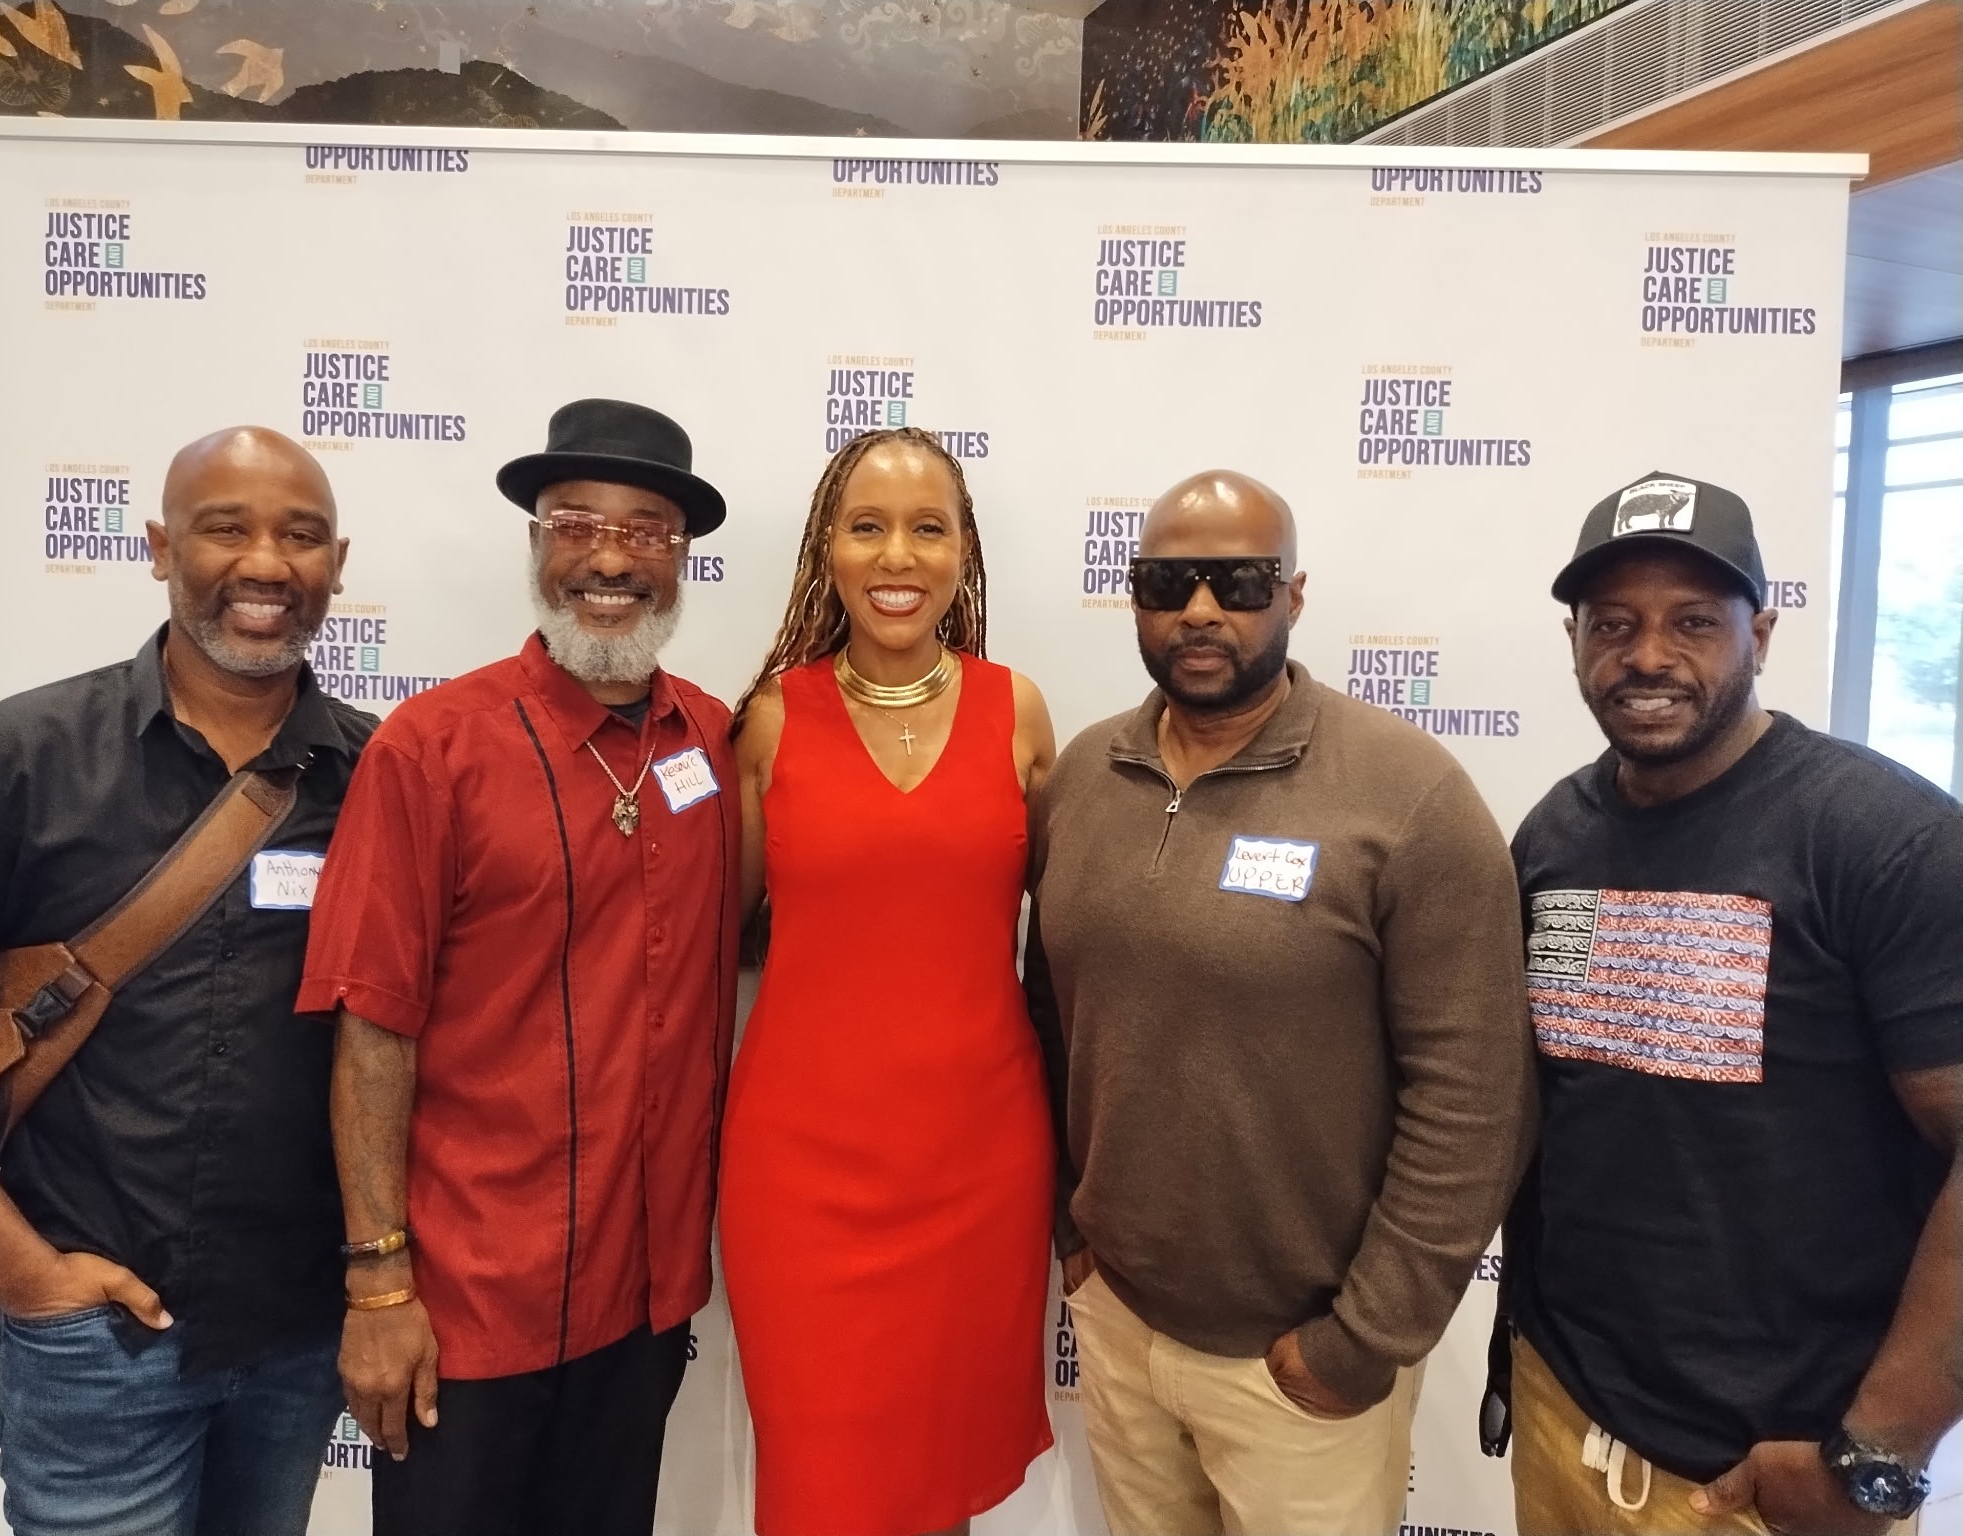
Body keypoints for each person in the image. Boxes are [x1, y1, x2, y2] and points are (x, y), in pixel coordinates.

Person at [1025, 470, 1536, 1536]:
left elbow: (1476, 1097)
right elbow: (1048, 1016)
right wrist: (1073, 1233)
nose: (1200, 609)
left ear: (1292, 595)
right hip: (1118, 1327)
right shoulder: (1082, 777)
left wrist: (1362, 1340)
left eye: (1239, 581)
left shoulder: (1407, 796)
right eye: (1169, 581)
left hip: (1300, 1368)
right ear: (1134, 598)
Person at [0, 427, 371, 1536]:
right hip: (94, 1343)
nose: (265, 561)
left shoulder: (380, 780)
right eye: (226, 527)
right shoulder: (16, 758)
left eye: (299, 535)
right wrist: (20, 1272)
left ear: (337, 565)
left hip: (298, 1339)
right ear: (161, 546)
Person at [296, 398, 739, 1536]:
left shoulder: (712, 746)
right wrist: (378, 1284)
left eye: (645, 532)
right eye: (573, 521)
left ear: (681, 560)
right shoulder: (431, 750)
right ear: (535, 543)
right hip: (466, 1311)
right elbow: (370, 1029)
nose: (607, 558)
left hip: (641, 1306)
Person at [1502, 471, 1963, 1535]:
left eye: (1692, 623)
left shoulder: (1880, 842)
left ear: (1759, 629)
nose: (1648, 656)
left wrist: (1876, 1455)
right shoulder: (1552, 838)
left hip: (1769, 1467)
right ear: (1573, 639)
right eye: (1612, 624)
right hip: (1564, 1405)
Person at [720, 426, 1058, 1536]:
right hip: (801, 1176)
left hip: (977, 1166)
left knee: (932, 1479)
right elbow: (718, 928)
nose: (895, 555)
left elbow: (1066, 942)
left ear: (964, 551)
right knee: (820, 1487)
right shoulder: (771, 719)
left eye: (926, 527)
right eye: (866, 527)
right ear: (828, 548)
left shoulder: (1020, 713)